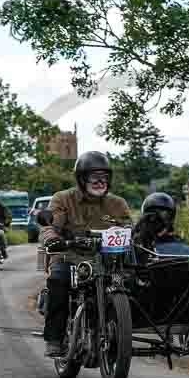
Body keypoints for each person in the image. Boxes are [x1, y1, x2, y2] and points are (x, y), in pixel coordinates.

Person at [40, 151, 132, 357]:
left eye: (104, 177)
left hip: (107, 261)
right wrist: (52, 238)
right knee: (58, 281)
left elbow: (129, 229)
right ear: (81, 178)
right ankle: (54, 338)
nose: (100, 182)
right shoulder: (63, 199)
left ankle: (121, 329)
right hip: (70, 257)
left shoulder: (118, 204)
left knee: (134, 282)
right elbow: (50, 226)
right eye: (94, 177)